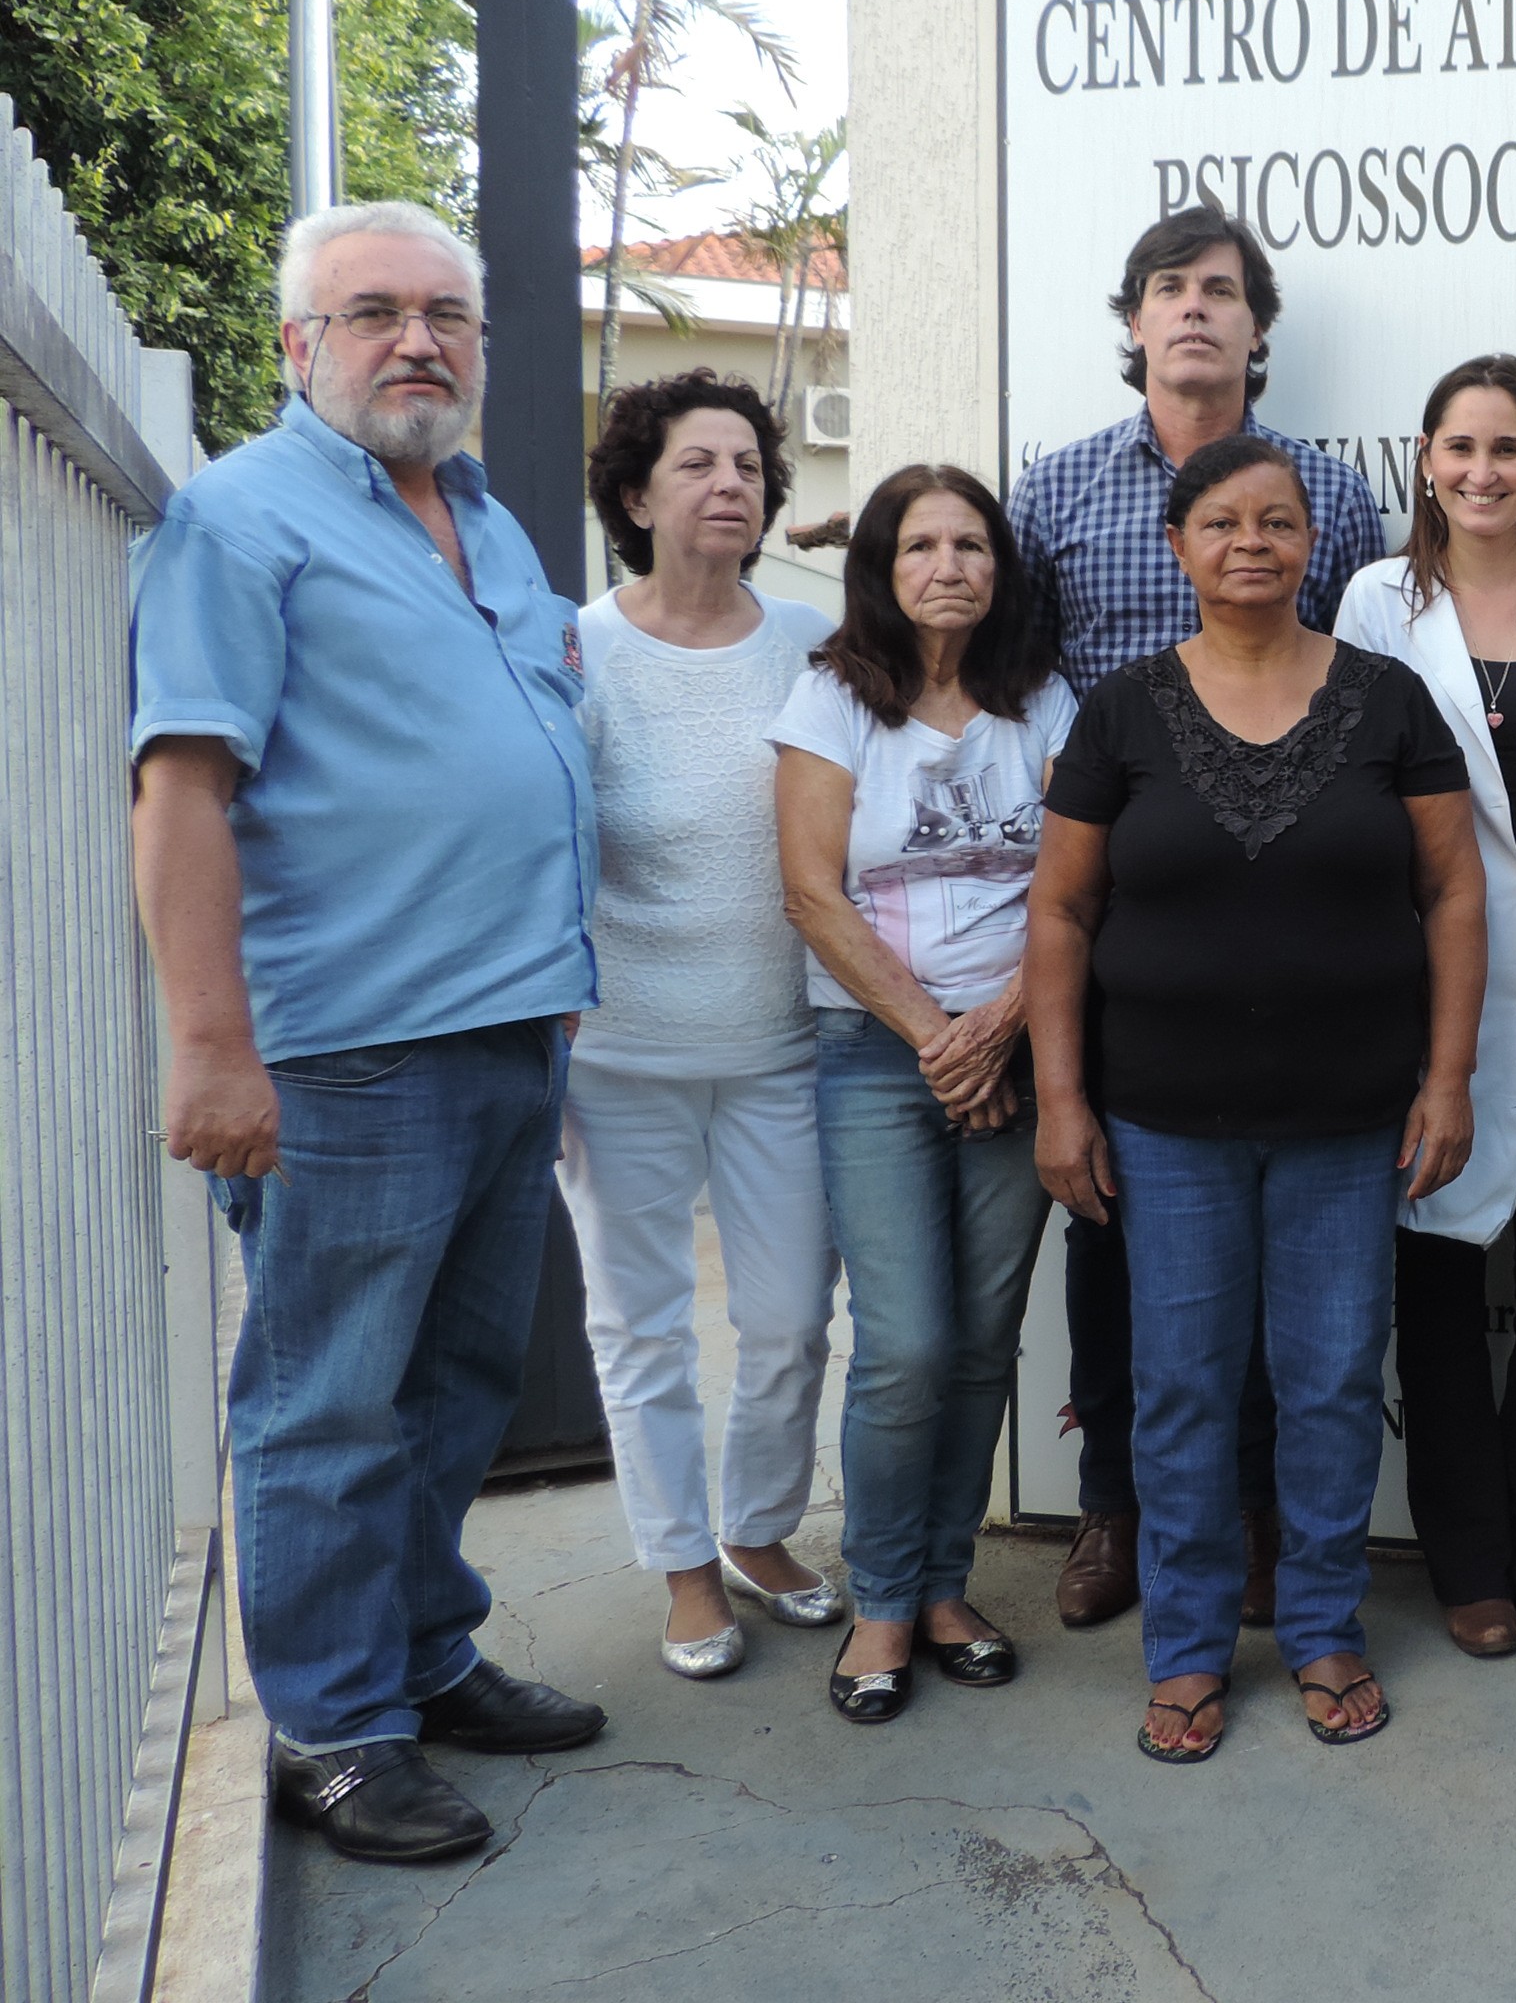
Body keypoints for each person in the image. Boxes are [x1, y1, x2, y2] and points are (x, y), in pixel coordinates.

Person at [129, 199, 607, 1864]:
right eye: (376, 311)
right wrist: (208, 1045)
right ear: (297, 345)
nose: (420, 339)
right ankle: (332, 1729)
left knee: (459, 1377)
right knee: (330, 1401)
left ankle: (420, 1651)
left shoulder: (487, 520)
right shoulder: (238, 521)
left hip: (505, 1029)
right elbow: (183, 790)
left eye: (447, 314)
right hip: (345, 1051)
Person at [1028, 435, 1485, 1761]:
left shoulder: (1390, 700)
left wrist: (1446, 1077)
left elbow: (1454, 891)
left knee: (1335, 1381)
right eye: (1222, 521)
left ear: (1311, 547)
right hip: (1163, 1125)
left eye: (1278, 521)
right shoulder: (1118, 712)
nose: (1252, 540)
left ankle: (1327, 1627)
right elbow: (1061, 910)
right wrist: (1063, 1099)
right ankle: (1185, 1648)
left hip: (1349, 1119)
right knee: (1179, 1388)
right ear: (1179, 548)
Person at [1009, 205, 1380, 1633]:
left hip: (1286, 913)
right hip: (1122, 899)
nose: (1197, 312)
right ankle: (1121, 1502)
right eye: (1171, 289)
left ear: (1257, 331)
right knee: (1115, 1217)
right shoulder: (1054, 492)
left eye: (1223, 291)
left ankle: (1275, 1518)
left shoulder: (1329, 497)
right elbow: (1019, 685)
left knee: (1287, 1241)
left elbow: (1339, 674)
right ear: (1136, 322)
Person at [772, 465, 1073, 1725]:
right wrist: (935, 1036)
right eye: (920, 546)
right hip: (877, 1055)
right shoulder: (833, 698)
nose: (948, 565)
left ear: (1000, 568)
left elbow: (1073, 887)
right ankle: (883, 1599)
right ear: (882, 569)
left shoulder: (1044, 703)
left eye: (970, 545)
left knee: (984, 1343)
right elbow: (811, 893)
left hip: (1013, 1048)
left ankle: (947, 1587)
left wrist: (999, 1032)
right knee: (903, 1347)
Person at [1337, 358, 1516, 1657]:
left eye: (1508, 447)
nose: (1483, 471)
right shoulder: (1374, 601)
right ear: (1425, 459)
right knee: (1440, 1296)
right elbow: (1351, 792)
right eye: (1459, 447)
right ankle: (1468, 1562)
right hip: (1427, 995)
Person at [563, 373, 844, 1682]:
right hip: (620, 1052)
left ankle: (760, 1530)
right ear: (635, 493)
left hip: (782, 1044)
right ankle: (684, 1569)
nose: (730, 483)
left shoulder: (810, 640)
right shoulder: (582, 651)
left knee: (789, 1319)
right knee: (644, 1326)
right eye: (697, 464)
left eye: (747, 465)